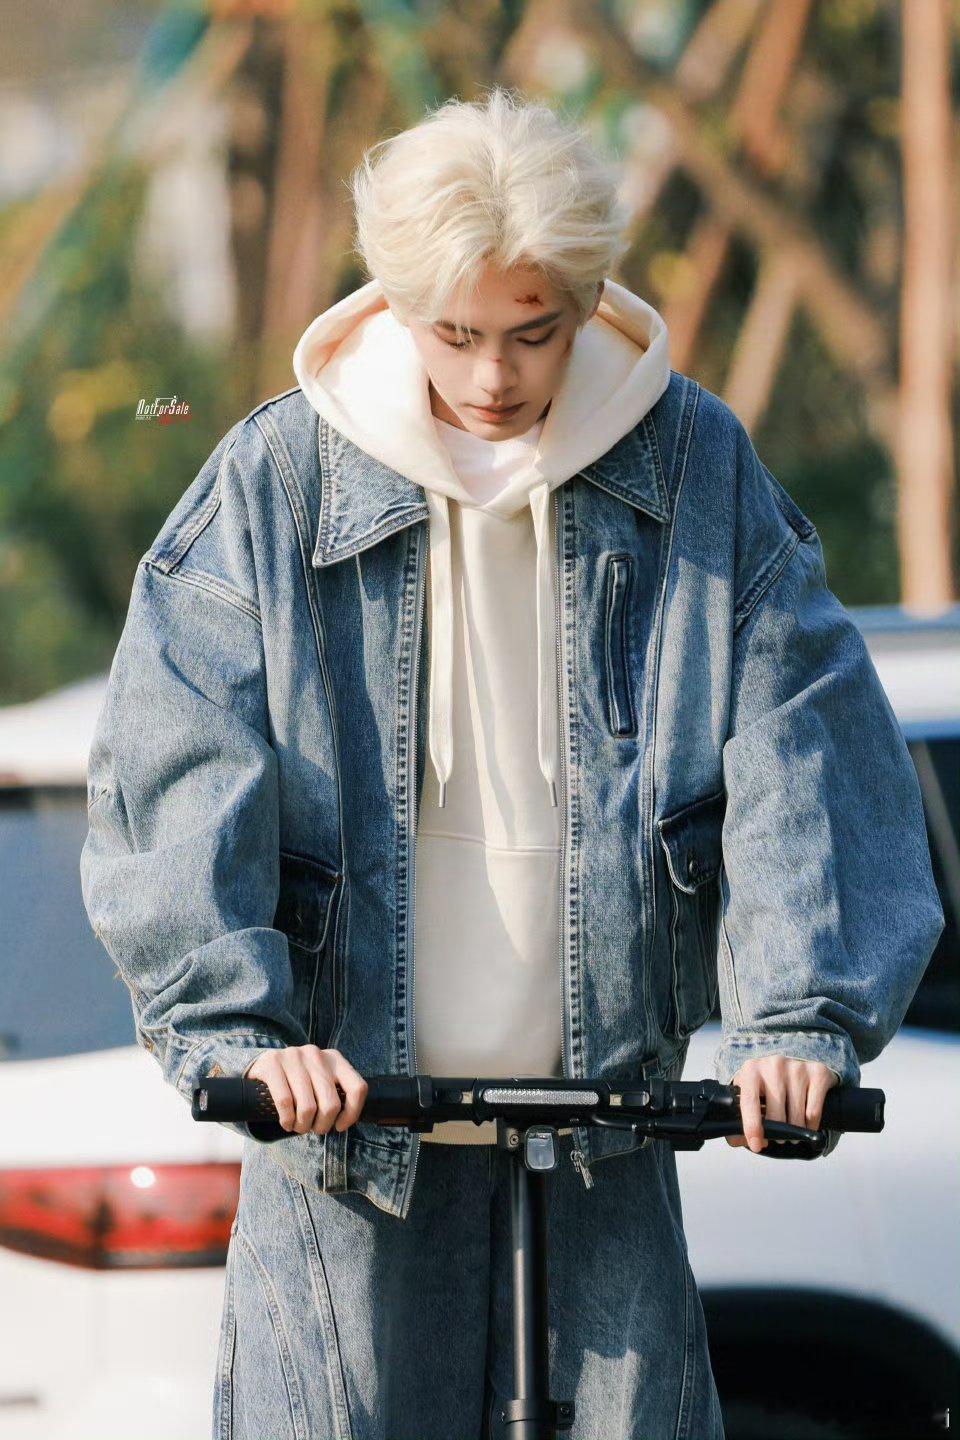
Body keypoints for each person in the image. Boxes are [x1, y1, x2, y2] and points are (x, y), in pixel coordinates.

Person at [80, 87, 944, 1440]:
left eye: (535, 333)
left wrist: (796, 1020)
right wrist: (240, 1029)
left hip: (611, 1131)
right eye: (456, 334)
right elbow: (179, 760)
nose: (494, 376)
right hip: (342, 1142)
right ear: (395, 303)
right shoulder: (276, 480)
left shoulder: (695, 464)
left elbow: (804, 735)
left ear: (589, 302)